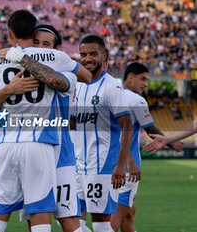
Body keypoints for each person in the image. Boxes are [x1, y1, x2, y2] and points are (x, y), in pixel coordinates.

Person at [0, 10, 86, 232]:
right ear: (32, 32)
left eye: (46, 43)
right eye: (37, 41)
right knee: (38, 219)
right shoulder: (58, 59)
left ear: (10, 33)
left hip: (20, 146)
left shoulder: (0, 57)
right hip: (40, 145)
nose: (40, 46)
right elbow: (86, 75)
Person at [72, 35, 139, 232]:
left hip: (102, 166)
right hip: (78, 164)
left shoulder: (111, 86)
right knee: (69, 219)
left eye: (93, 54)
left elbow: (127, 126)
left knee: (101, 224)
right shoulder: (79, 84)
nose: (87, 59)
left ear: (104, 56)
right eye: (83, 54)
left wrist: (120, 165)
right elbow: (73, 122)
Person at [110, 62, 183, 232]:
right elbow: (150, 129)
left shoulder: (112, 96)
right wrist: (172, 142)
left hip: (109, 164)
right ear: (130, 77)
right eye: (143, 79)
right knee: (115, 219)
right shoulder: (137, 100)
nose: (146, 84)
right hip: (127, 167)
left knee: (129, 211)